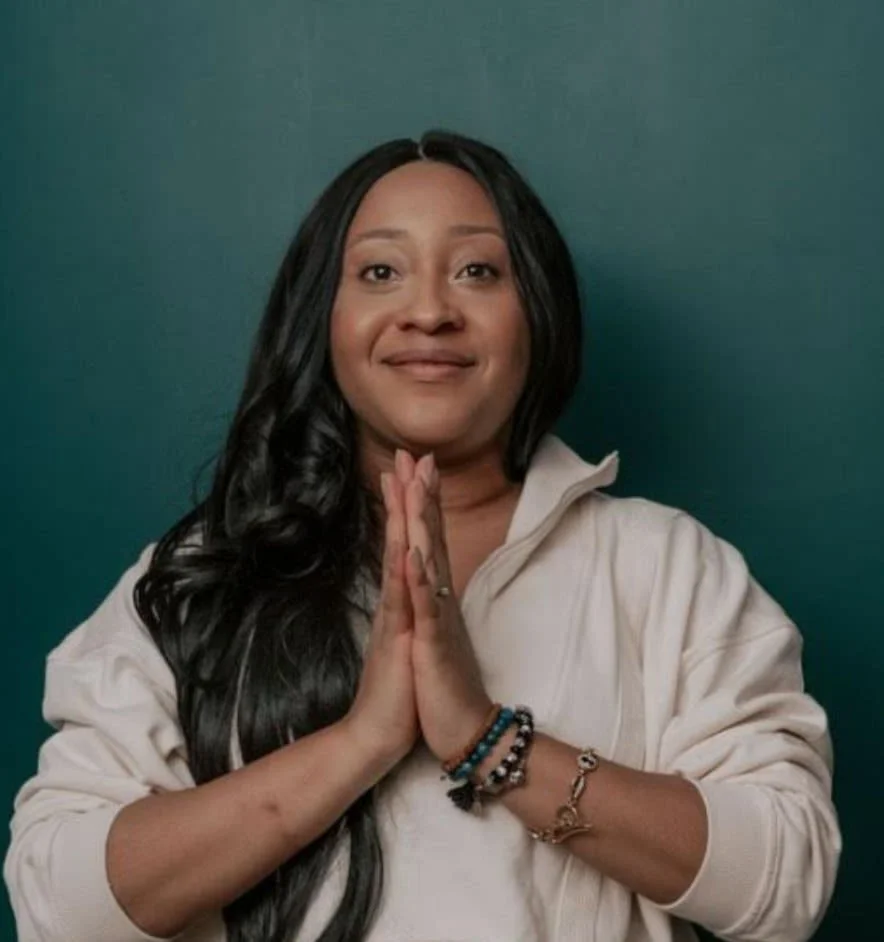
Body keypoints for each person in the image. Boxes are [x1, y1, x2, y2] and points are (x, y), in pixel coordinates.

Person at [4, 130, 840, 942]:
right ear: (323, 320)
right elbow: (58, 908)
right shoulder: (204, 573)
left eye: (478, 270)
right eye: (380, 272)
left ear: (537, 312)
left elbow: (786, 882)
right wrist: (360, 742)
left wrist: (486, 739)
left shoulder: (668, 567)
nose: (430, 312)